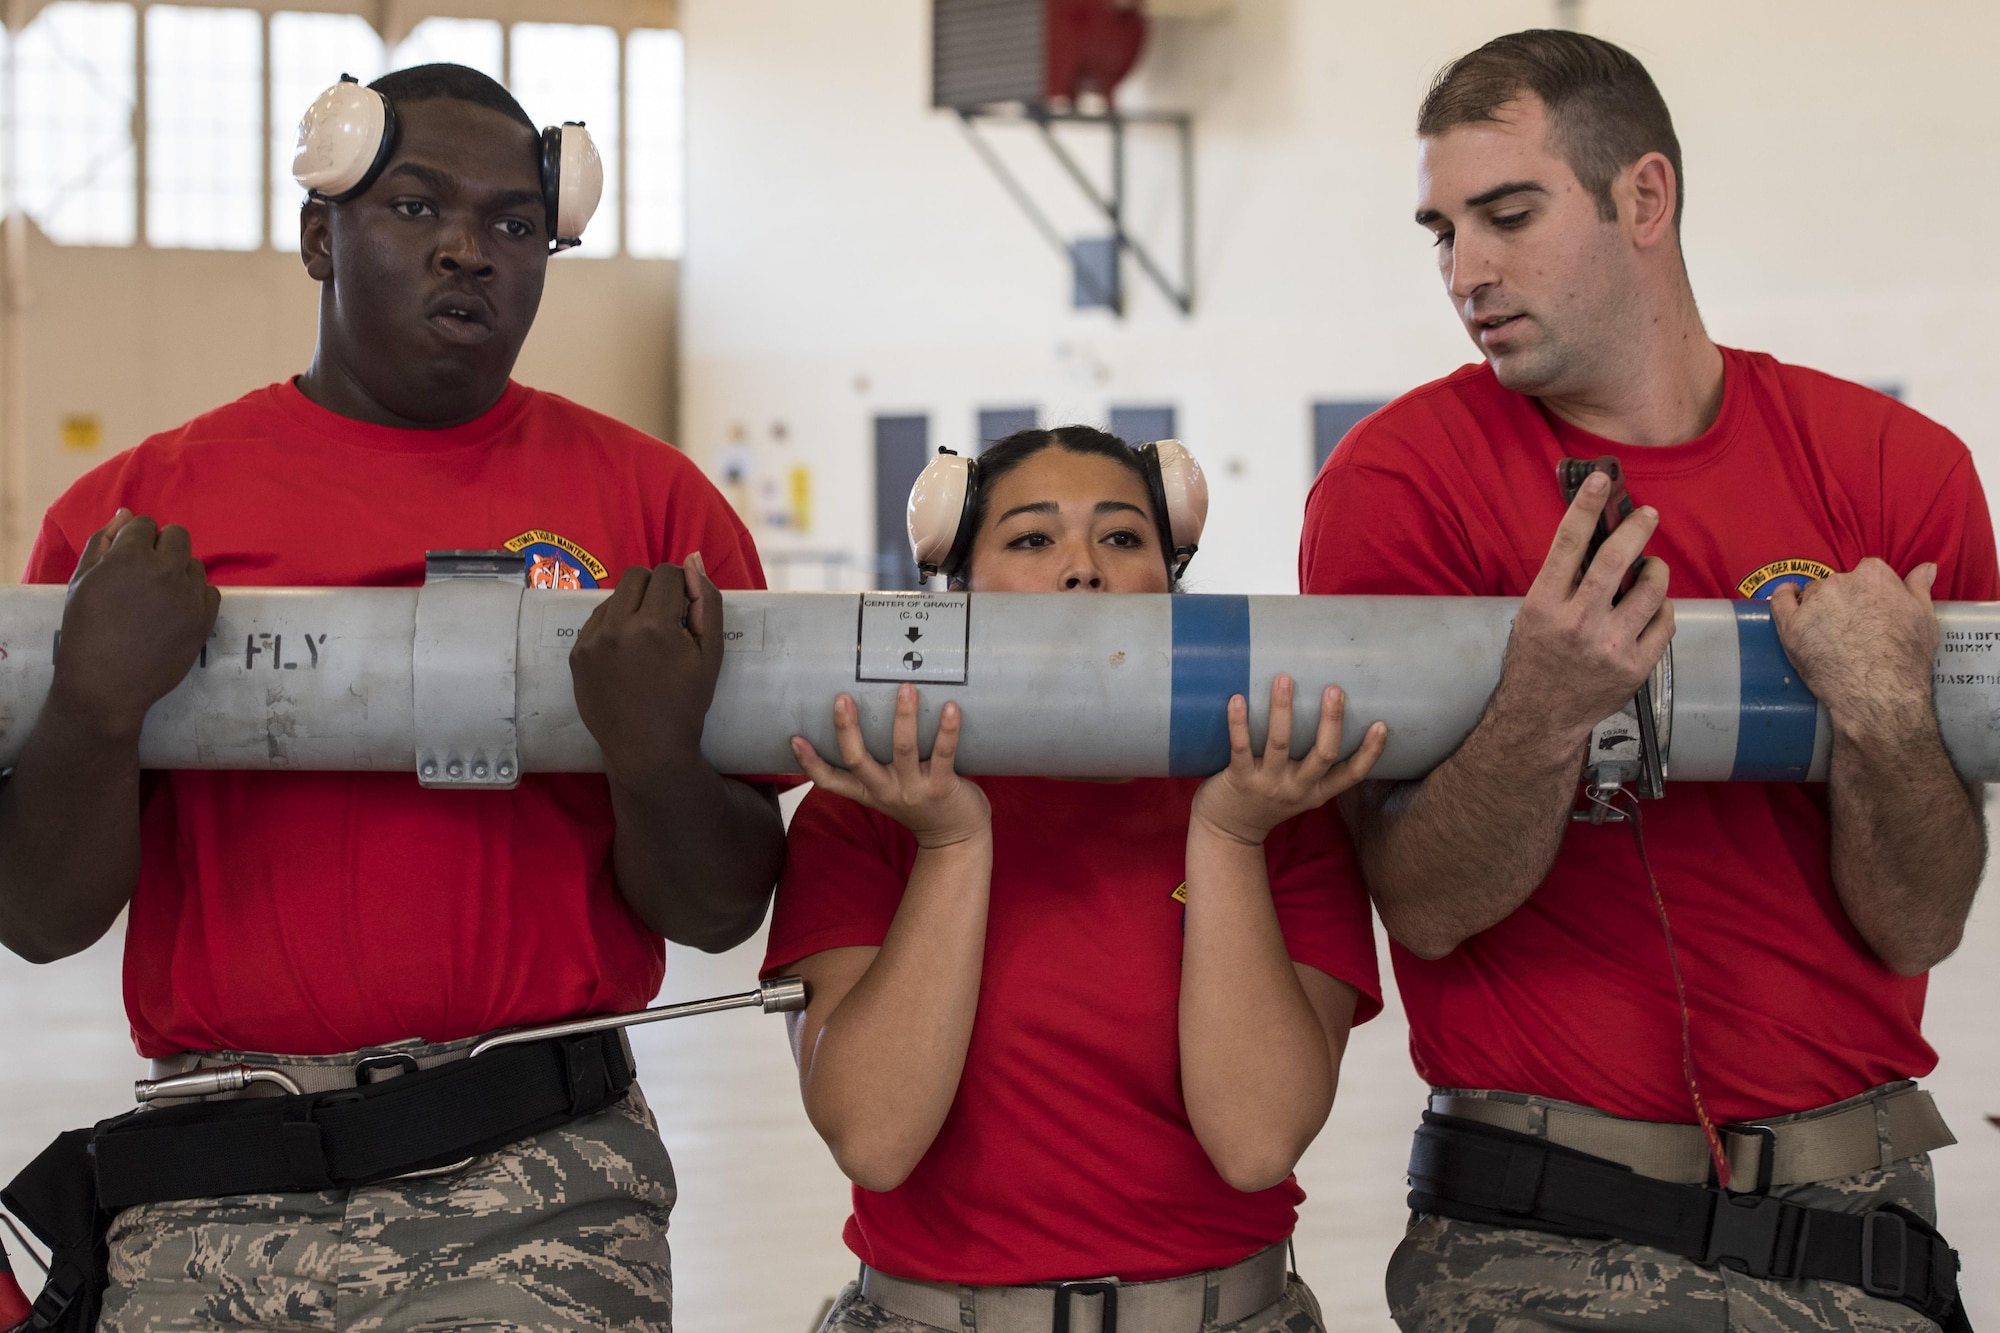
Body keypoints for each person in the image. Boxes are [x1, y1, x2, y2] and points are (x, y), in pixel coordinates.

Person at [0, 64, 784, 1331]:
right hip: (212, 1186)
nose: (470, 251)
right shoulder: (138, 521)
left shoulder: (656, 516)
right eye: (416, 209)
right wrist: (93, 706)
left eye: (515, 225)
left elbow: (717, 906)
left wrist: (653, 759)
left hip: (544, 1179)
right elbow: (38, 920)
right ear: (322, 236)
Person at [1299, 29, 1992, 1333]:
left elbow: (1919, 924)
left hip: (1864, 1225)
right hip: (1544, 1232)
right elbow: (1429, 902)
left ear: (1646, 199)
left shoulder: (1898, 471)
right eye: (1441, 231)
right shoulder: (1400, 482)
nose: (1468, 271)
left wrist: (1888, 714)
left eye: (1508, 215)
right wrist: (1544, 704)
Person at [764, 426, 1388, 1333]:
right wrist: (950, 844)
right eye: (1031, 538)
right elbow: (874, 1137)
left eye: (1122, 537)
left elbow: (1256, 1142)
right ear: (958, 582)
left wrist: (1227, 832)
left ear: (1168, 574)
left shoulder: (1276, 801)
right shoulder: (867, 807)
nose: (1084, 568)